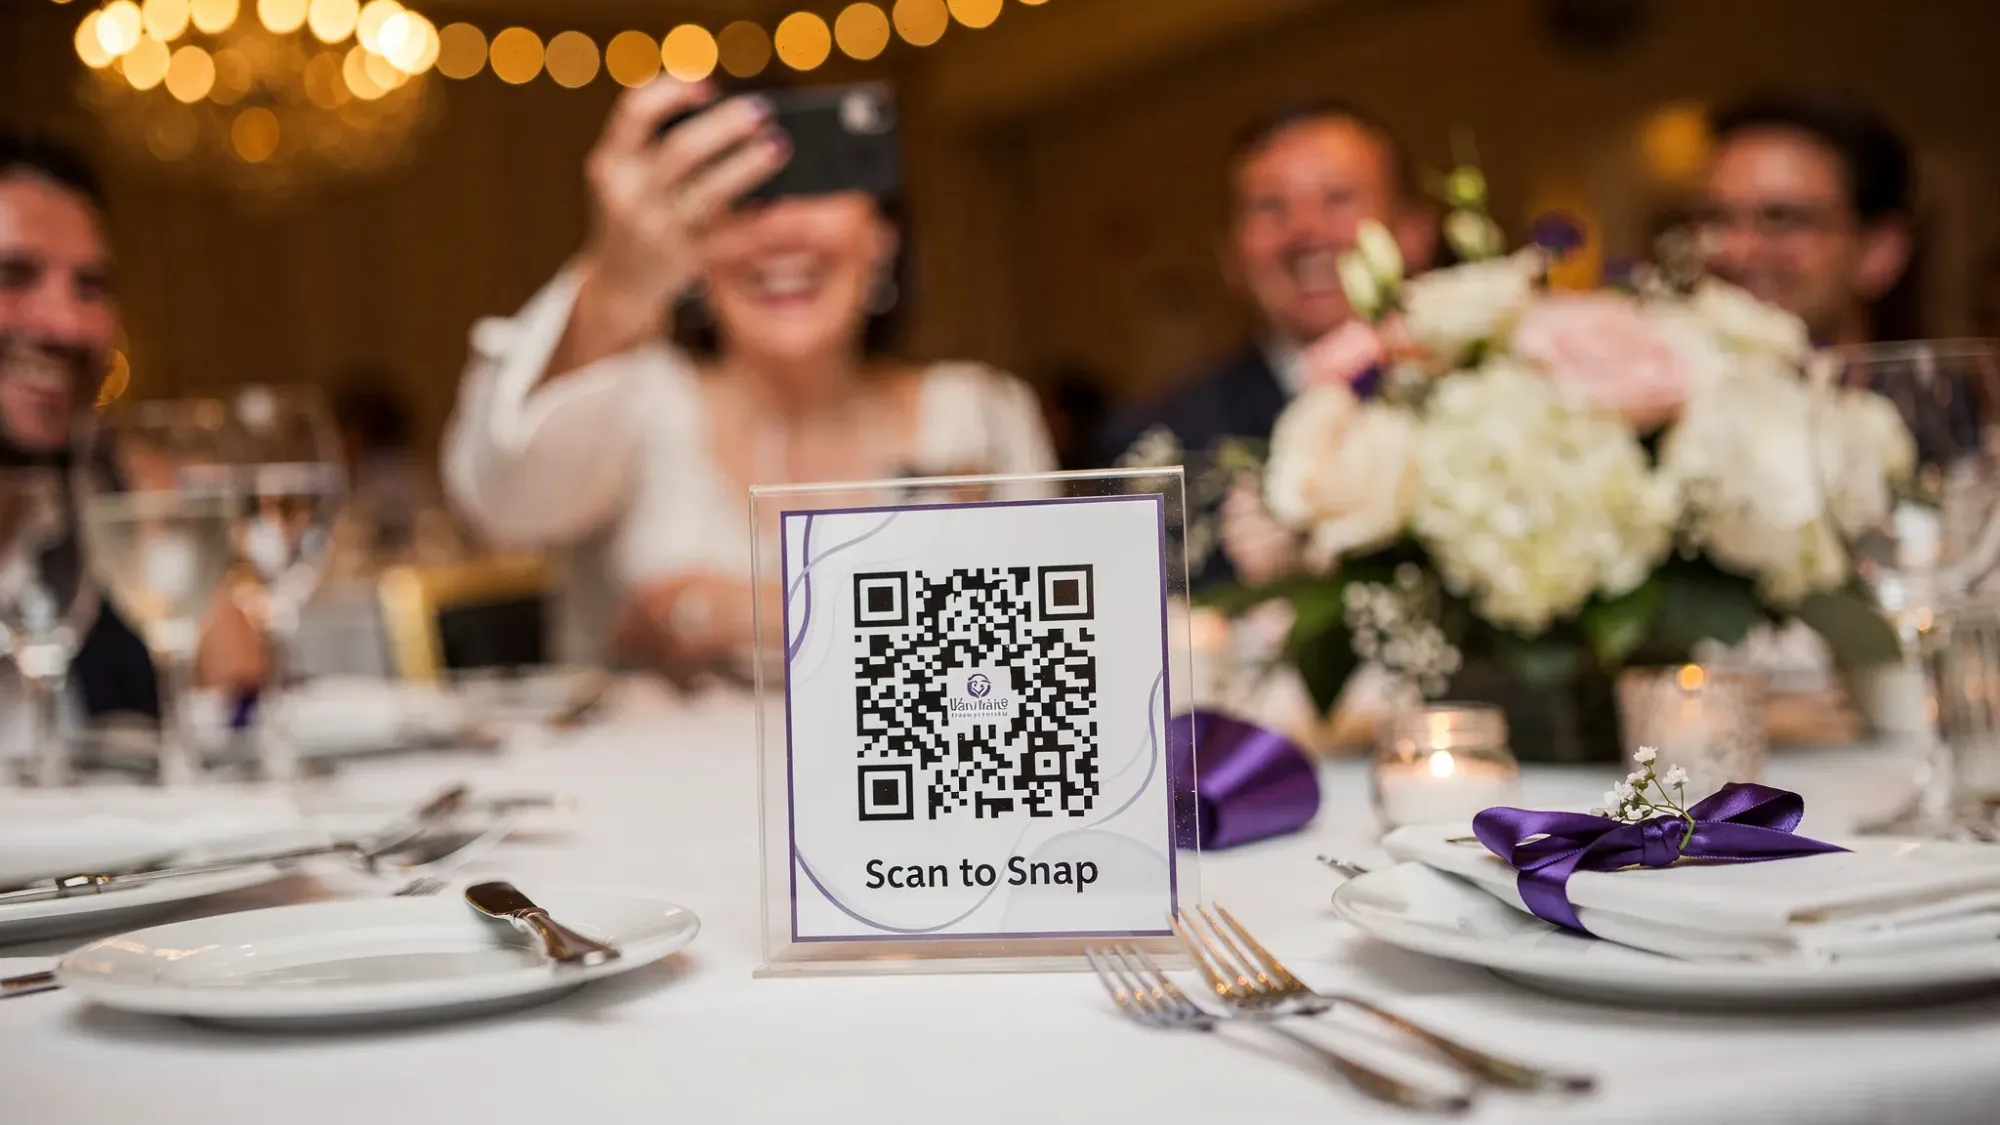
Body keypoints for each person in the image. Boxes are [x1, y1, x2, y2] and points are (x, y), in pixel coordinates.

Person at [443, 81, 1055, 683]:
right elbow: (504, 505)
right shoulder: (640, 403)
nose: (781, 230)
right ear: (691, 249)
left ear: (883, 236)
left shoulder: (977, 410)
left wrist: (741, 612)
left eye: (815, 186)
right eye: (744, 199)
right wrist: (615, 287)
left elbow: (1049, 640)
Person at [1095, 99, 1435, 586]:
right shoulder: (1157, 447)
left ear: (1413, 231)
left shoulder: (1499, 399)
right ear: (1228, 254)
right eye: (1270, 208)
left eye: (1338, 197)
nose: (1305, 230)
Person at [0, 134, 262, 725]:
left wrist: (161, 494)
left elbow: (239, 701)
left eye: (91, 288)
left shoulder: (122, 489)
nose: (65, 324)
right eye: (13, 275)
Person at [1698, 93, 1917, 347]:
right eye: (1715, 219)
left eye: (1782, 220)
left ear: (1878, 252)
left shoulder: (1939, 386)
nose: (1734, 250)